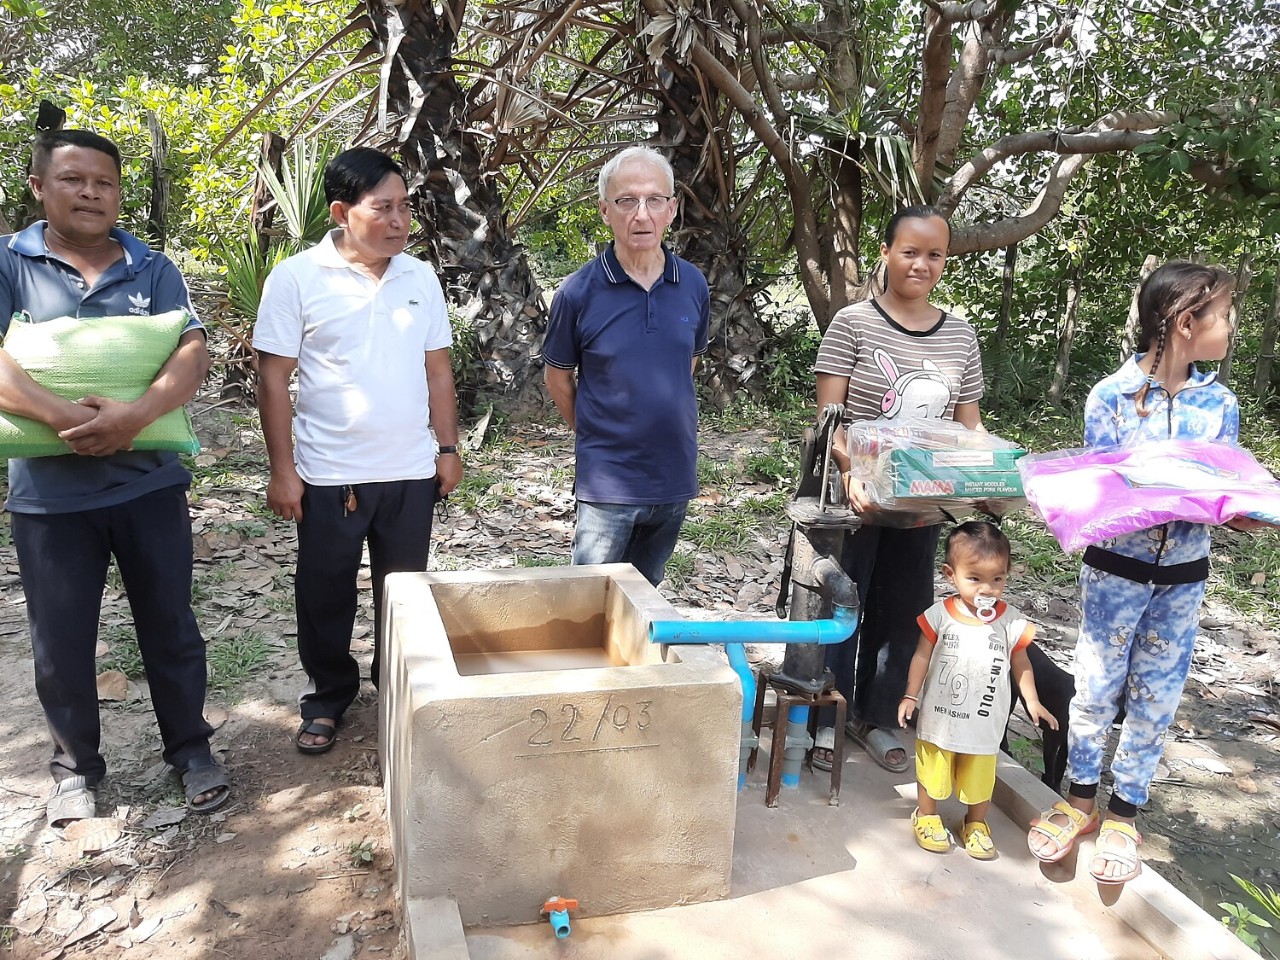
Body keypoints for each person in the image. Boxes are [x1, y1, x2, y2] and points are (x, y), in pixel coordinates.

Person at [0, 129, 229, 823]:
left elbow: (192, 352)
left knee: (170, 623)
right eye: (74, 179)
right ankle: (76, 770)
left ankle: (191, 750)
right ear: (40, 187)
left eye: (105, 182)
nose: (92, 192)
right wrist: (67, 416)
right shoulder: (11, 264)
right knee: (61, 637)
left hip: (149, 485)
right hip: (50, 498)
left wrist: (136, 417)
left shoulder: (151, 267)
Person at [1026, 261, 1265, 883]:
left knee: (1157, 695)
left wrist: (1241, 513)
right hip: (1114, 573)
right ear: (1186, 322)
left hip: (1184, 576)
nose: (1231, 324)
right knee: (1097, 687)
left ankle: (1125, 815)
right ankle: (1078, 801)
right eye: (1224, 314)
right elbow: (1105, 492)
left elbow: (1222, 491)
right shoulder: (1110, 397)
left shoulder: (1220, 404)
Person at [254, 147, 462, 755]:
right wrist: (283, 470)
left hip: (409, 471)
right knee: (325, 593)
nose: (399, 221)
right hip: (329, 474)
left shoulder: (419, 277)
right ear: (343, 212)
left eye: (404, 208)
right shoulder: (296, 279)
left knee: (404, 593)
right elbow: (274, 379)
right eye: (383, 209)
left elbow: (438, 371)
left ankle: (398, 692)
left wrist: (446, 448)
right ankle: (327, 699)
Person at [811, 205, 984, 772]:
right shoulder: (853, 324)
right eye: (910, 251)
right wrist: (851, 471)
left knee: (902, 612)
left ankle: (878, 718)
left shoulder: (960, 335)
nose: (922, 264)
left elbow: (969, 425)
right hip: (855, 503)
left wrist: (993, 472)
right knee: (841, 605)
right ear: (886, 253)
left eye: (934, 254)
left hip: (923, 505)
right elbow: (830, 418)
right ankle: (824, 718)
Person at [543, 145, 710, 587]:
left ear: (672, 209)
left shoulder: (692, 284)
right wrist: (598, 432)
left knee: (644, 600)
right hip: (608, 484)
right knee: (589, 602)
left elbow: (685, 363)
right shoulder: (578, 293)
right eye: (627, 201)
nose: (642, 215)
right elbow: (558, 378)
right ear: (604, 211)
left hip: (673, 473)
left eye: (655, 200)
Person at [898, 521, 1057, 858]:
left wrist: (1032, 701)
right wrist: (910, 695)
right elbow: (921, 656)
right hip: (940, 717)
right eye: (975, 578)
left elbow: (1021, 663)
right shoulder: (940, 615)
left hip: (985, 722)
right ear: (949, 574)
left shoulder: (1010, 621)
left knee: (981, 774)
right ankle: (926, 815)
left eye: (997, 579)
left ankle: (975, 823)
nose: (987, 588)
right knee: (933, 769)